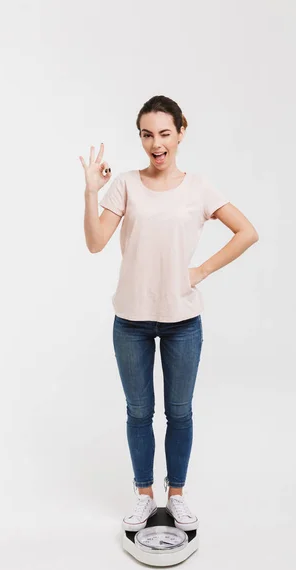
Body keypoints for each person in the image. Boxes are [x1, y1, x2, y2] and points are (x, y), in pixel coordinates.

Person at [80, 95, 259, 533]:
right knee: (139, 412)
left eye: (164, 133)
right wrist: (90, 191)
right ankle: (145, 495)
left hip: (182, 321)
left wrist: (199, 270)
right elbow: (95, 242)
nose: (155, 144)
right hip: (132, 320)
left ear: (181, 131)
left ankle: (175, 495)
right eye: (146, 135)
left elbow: (246, 232)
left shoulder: (199, 188)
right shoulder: (124, 184)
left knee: (179, 412)